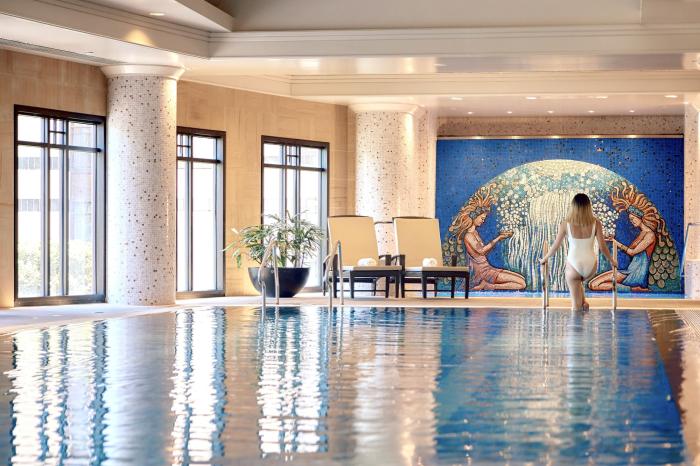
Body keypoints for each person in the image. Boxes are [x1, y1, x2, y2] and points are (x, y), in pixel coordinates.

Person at [538, 193, 617, 311]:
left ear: (573, 207)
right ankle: (584, 303)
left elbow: (555, 246)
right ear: (588, 206)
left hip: (573, 266)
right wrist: (612, 261)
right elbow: (602, 246)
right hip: (591, 266)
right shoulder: (596, 223)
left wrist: (544, 259)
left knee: (576, 308)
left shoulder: (565, 224)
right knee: (579, 284)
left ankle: (579, 310)